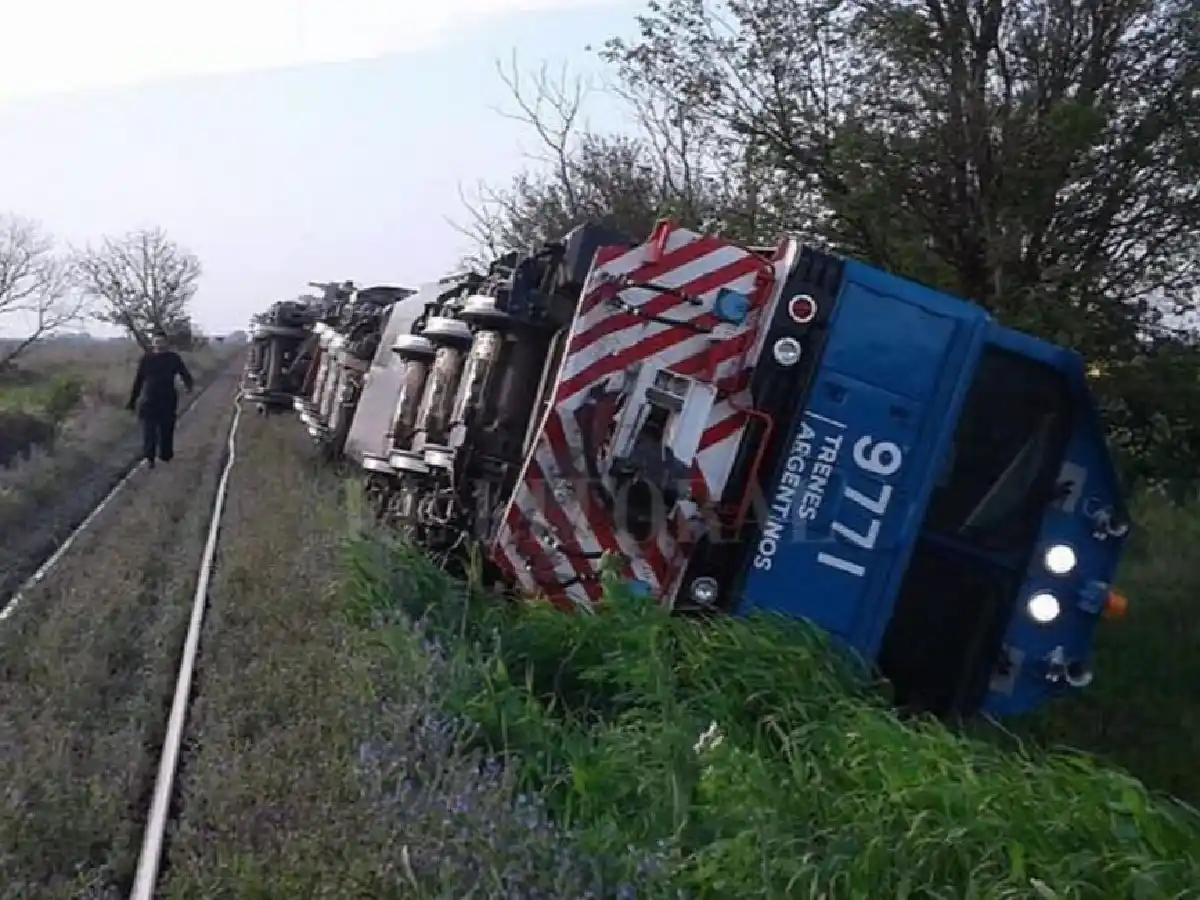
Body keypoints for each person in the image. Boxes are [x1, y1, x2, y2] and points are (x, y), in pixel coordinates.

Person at [127, 329, 194, 468]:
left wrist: (189, 386)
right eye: (156, 342)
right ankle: (149, 457)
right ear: (152, 343)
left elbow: (184, 373)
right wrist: (132, 400)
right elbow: (138, 380)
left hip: (168, 400)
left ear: (166, 343)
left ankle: (165, 455)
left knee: (166, 430)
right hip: (149, 400)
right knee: (149, 431)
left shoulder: (173, 358)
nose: (159, 344)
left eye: (161, 342)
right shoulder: (146, 359)